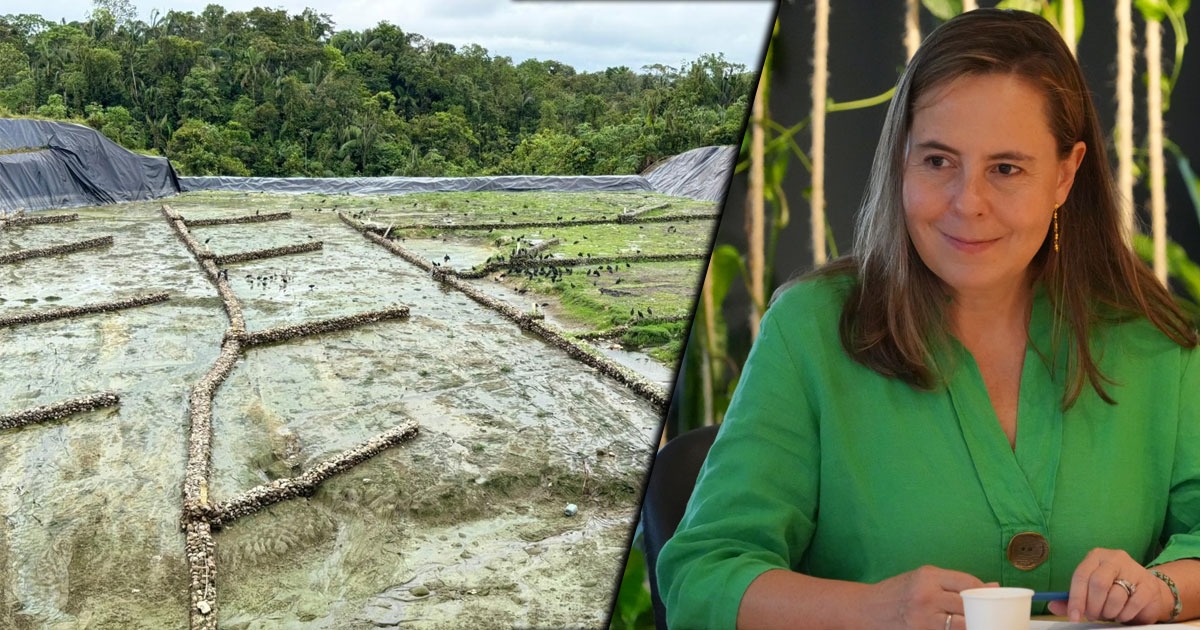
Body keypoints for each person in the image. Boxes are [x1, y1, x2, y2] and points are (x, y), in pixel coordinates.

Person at [656, 8, 1200, 629]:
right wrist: (874, 609)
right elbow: (702, 576)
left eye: (1006, 168)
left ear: (1065, 174)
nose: (967, 203)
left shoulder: (1154, 339)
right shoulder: (808, 330)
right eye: (938, 161)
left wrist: (1163, 589)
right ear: (901, 161)